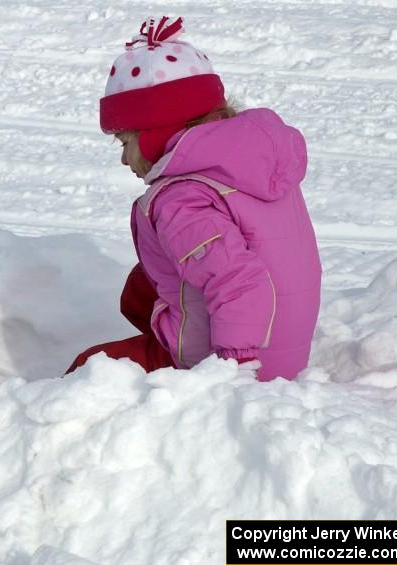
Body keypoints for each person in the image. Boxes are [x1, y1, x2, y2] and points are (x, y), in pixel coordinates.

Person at [67, 17, 321, 381]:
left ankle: (5, 422)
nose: (124, 159)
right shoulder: (253, 164)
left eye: (126, 143)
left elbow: (239, 282)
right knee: (139, 290)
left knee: (90, 367)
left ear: (157, 134)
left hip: (235, 363)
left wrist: (234, 368)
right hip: (284, 346)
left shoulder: (182, 200)